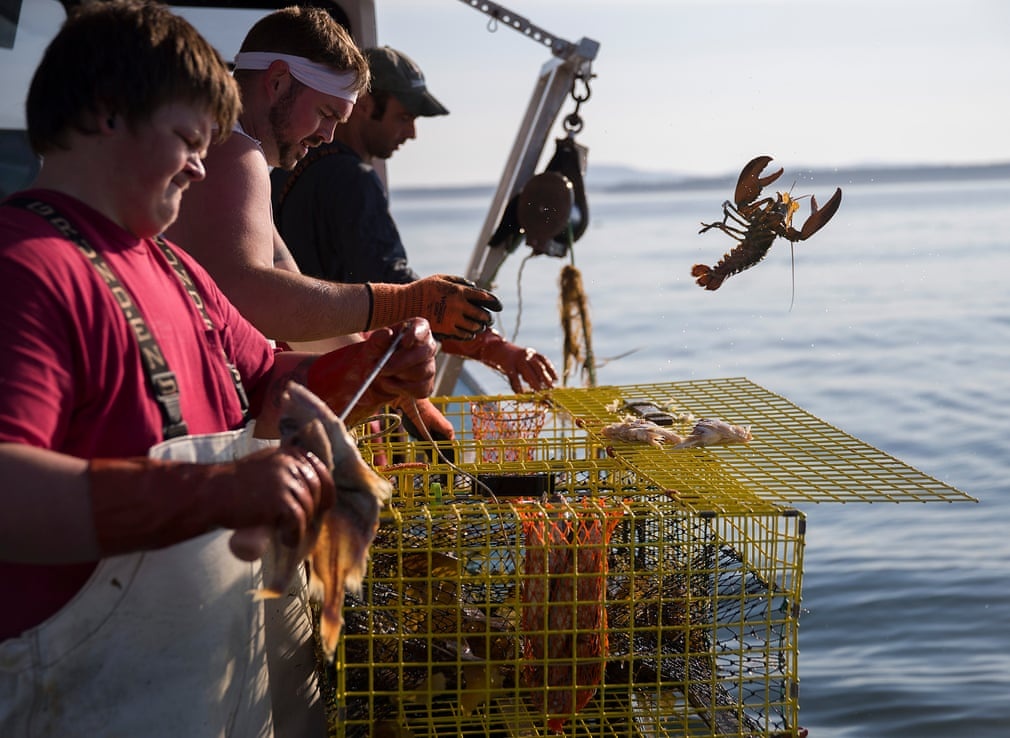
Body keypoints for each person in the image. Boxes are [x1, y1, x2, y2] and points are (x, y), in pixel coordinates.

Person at [0, 3, 437, 735]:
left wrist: (378, 364)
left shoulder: (176, 269)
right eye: (187, 139)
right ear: (107, 114)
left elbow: (269, 384)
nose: (205, 166)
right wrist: (217, 490)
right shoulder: (28, 268)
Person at [271, 45, 558, 396]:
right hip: (340, 380)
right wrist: (496, 347)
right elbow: (397, 289)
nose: (411, 133)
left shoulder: (286, 172)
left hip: (291, 372)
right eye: (403, 117)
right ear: (364, 105)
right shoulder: (353, 178)